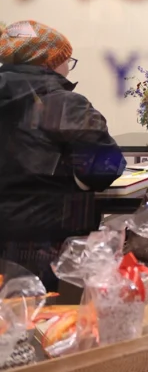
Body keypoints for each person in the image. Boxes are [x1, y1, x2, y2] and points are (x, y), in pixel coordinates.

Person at [0, 21, 126, 291]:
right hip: (52, 242)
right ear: (49, 62)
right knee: (49, 323)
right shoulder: (63, 103)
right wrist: (77, 177)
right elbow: (106, 166)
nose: (68, 68)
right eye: (67, 60)